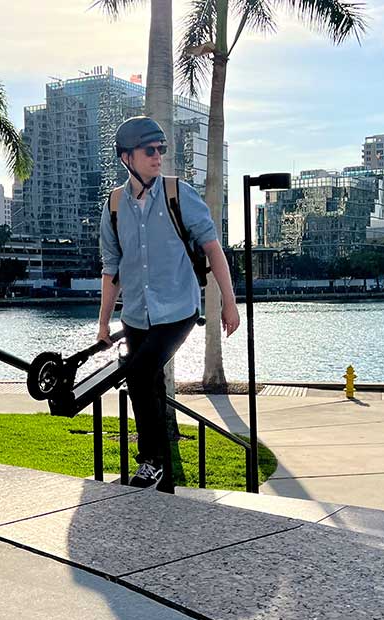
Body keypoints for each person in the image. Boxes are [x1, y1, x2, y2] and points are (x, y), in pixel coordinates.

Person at [97, 116, 240, 493]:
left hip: (178, 309)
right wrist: (101, 325)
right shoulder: (113, 207)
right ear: (127, 157)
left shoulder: (179, 194)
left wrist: (229, 301)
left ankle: (152, 460)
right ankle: (164, 486)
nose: (158, 157)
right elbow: (111, 270)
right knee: (151, 382)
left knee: (139, 373)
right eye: (150, 151)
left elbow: (212, 247)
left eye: (161, 150)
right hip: (136, 315)